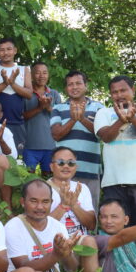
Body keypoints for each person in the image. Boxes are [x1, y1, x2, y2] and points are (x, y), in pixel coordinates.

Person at [95, 75, 136, 227]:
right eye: (114, 92)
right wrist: (121, 119)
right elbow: (106, 137)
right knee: (114, 231)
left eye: (123, 90)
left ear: (133, 90)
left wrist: (133, 118)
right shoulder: (103, 113)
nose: (118, 95)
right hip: (113, 184)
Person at [50, 70, 105, 210]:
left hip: (90, 170)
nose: (74, 87)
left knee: (90, 212)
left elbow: (103, 134)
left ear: (86, 86)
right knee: (63, 211)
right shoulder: (58, 108)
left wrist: (82, 119)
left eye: (78, 83)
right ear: (66, 88)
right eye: (70, 84)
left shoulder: (98, 107)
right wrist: (74, 120)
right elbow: (56, 134)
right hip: (63, 171)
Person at [47, 146, 98, 272]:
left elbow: (91, 224)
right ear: (52, 166)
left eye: (71, 163)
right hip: (55, 243)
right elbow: (41, 225)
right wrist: (63, 205)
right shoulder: (43, 188)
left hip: (79, 242)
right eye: (61, 163)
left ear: (76, 166)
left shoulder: (82, 188)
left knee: (89, 240)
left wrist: (74, 205)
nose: (66, 166)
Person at [0, 37, 32, 153]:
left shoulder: (23, 70)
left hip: (17, 123)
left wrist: (12, 83)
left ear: (15, 50)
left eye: (9, 49)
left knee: (16, 161)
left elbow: (29, 94)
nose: (6, 53)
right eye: (2, 50)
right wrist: (4, 83)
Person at [23, 62, 62, 175]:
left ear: (48, 75)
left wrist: (48, 107)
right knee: (27, 179)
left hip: (50, 145)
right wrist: (39, 108)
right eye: (38, 73)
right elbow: (21, 117)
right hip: (29, 145)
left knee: (50, 180)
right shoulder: (26, 93)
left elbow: (61, 118)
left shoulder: (54, 94)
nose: (41, 76)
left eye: (44, 73)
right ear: (31, 75)